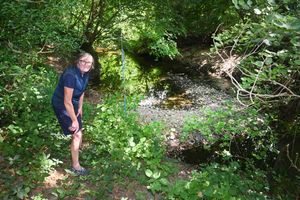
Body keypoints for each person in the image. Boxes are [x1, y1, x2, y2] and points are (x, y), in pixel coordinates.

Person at [52, 52, 94, 175]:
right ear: (77, 61)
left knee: (79, 130)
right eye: (83, 61)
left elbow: (81, 91)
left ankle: (76, 151)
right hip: (62, 105)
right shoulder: (71, 75)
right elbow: (66, 101)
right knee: (76, 134)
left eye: (88, 62)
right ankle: (75, 166)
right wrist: (74, 119)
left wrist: (80, 107)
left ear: (92, 65)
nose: (85, 64)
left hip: (73, 104)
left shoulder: (85, 73)